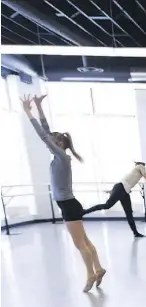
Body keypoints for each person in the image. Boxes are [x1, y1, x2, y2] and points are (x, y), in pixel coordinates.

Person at [21, 94, 106, 292]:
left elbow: (43, 134)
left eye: (52, 141)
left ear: (59, 144)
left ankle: (91, 274)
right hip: (69, 204)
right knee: (85, 241)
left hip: (68, 205)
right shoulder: (61, 155)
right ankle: (99, 268)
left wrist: (28, 111)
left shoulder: (61, 156)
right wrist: (39, 108)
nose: (48, 142)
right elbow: (47, 131)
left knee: (79, 244)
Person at [84, 162, 146, 237]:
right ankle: (85, 211)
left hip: (124, 192)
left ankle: (135, 233)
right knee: (107, 206)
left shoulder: (135, 172)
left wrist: (111, 191)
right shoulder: (140, 167)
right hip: (120, 189)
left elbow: (126, 182)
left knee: (129, 213)